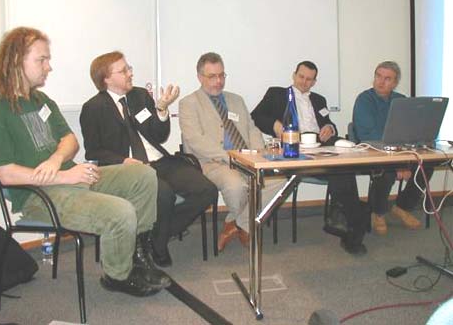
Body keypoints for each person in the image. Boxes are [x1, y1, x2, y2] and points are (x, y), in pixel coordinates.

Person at [0, 27, 169, 298]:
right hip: (37, 196)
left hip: (69, 177)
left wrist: (57, 160)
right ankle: (117, 275)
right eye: (41, 60)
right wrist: (66, 176)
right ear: (17, 60)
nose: (49, 66)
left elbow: (70, 141)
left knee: (144, 176)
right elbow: (7, 174)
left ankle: (137, 255)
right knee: (121, 211)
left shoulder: (42, 101)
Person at [80, 51, 218, 266]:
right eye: (123, 70)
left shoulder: (140, 96)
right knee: (164, 194)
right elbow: (93, 151)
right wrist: (123, 161)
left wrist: (161, 109)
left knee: (207, 191)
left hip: (160, 161)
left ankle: (155, 237)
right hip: (129, 170)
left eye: (129, 68)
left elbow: (159, 136)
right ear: (106, 78)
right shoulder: (93, 108)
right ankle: (159, 247)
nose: (130, 73)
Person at [251, 60, 369, 255]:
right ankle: (356, 220)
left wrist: (329, 128)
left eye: (309, 79)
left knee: (346, 165)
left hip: (321, 146)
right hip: (293, 148)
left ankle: (347, 218)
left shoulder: (319, 100)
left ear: (314, 81)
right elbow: (256, 116)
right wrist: (276, 125)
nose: (304, 82)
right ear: (294, 75)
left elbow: (329, 123)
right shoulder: (277, 94)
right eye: (301, 77)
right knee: (342, 173)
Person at [178, 52, 285, 252]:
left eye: (222, 75)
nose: (218, 81)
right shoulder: (188, 104)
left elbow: (251, 128)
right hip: (212, 162)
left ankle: (237, 224)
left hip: (246, 158)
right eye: (212, 76)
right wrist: (229, 157)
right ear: (200, 77)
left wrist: (258, 153)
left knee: (279, 180)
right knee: (236, 185)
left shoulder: (236, 100)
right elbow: (195, 140)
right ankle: (244, 225)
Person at [353, 61, 433, 235]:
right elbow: (370, 135)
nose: (381, 82)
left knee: (427, 165)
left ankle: (403, 207)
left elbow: (411, 131)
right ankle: (378, 212)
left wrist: (407, 156)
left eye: (387, 78)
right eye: (378, 76)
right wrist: (398, 162)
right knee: (387, 169)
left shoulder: (401, 100)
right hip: (373, 151)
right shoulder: (364, 99)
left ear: (395, 83)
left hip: (399, 151)